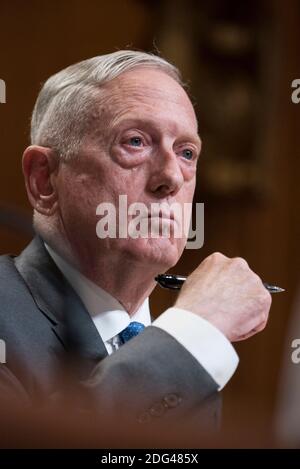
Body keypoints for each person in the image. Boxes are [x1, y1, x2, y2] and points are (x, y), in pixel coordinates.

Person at [0, 51, 271, 439]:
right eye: (136, 141)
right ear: (44, 180)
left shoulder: (183, 356)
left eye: (186, 153)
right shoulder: (186, 344)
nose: (171, 177)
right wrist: (191, 332)